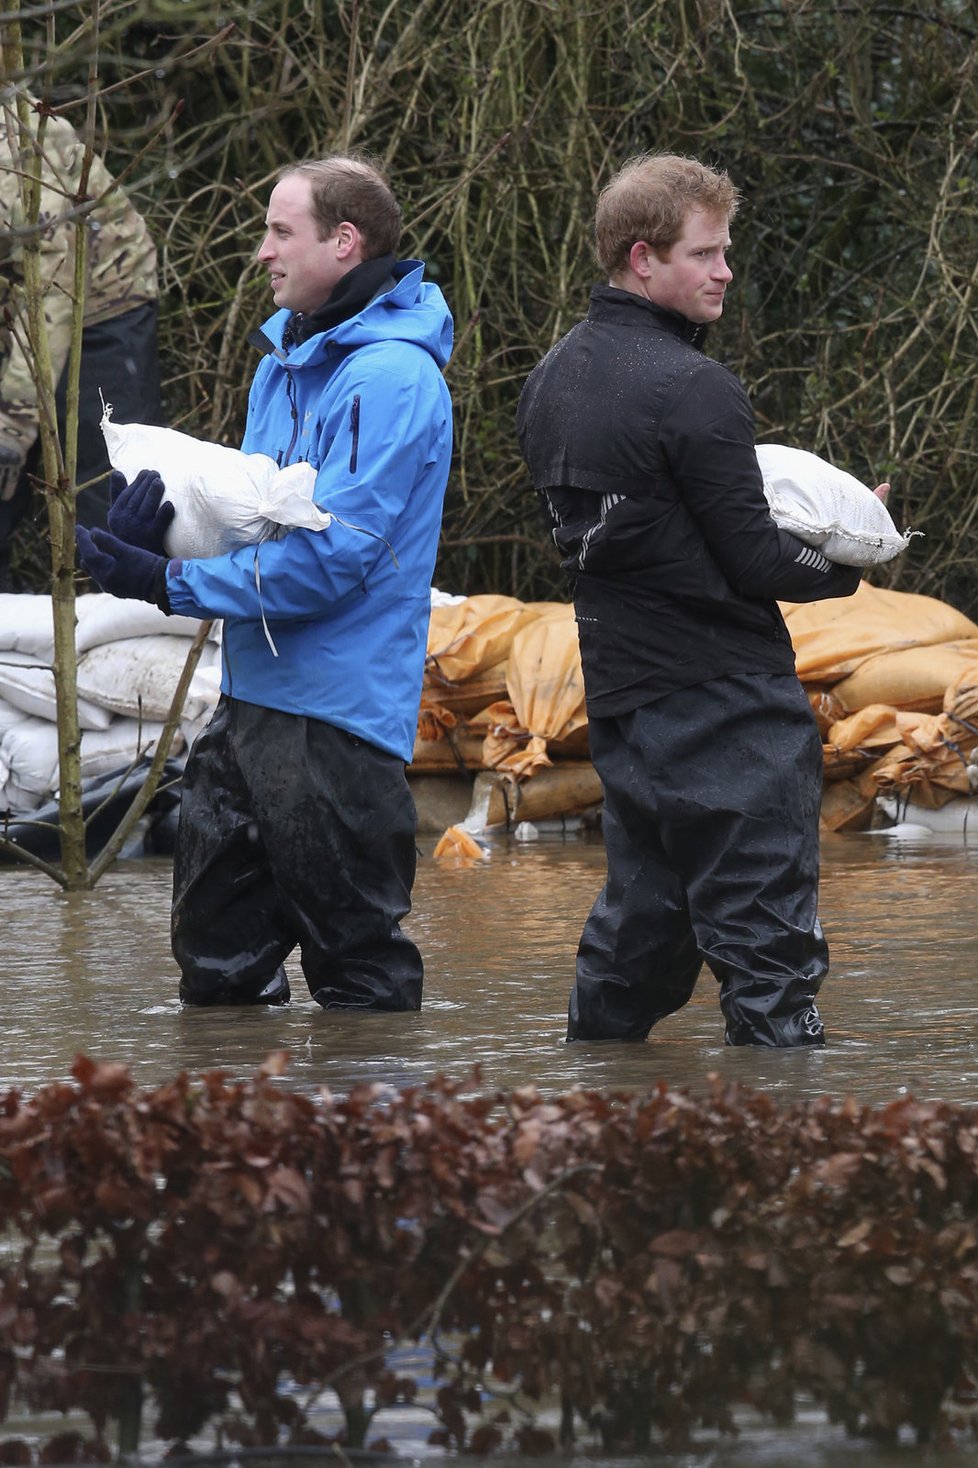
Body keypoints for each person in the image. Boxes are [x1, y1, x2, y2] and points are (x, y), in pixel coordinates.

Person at [517, 153, 889, 1048]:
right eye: (706, 254)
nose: (725, 271)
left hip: (623, 702)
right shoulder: (695, 388)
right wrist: (853, 552)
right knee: (769, 949)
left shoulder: (550, 381)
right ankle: (780, 1150)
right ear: (643, 259)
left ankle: (591, 1114)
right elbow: (757, 558)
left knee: (640, 931)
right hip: (728, 704)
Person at [75, 155, 454, 1010]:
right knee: (213, 965)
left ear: (345, 242)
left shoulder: (390, 379)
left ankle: (384, 1140)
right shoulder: (279, 363)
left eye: (281, 232)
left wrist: (170, 582)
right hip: (250, 707)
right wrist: (161, 531)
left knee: (360, 981)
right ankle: (239, 1136)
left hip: (339, 724)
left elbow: (334, 560)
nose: (261, 252)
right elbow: (256, 519)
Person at [0, 91, 164, 590]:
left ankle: (106, 635)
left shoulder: (16, 151)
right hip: (14, 304)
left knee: (107, 495)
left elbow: (46, 295)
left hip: (98, 306)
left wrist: (12, 427)